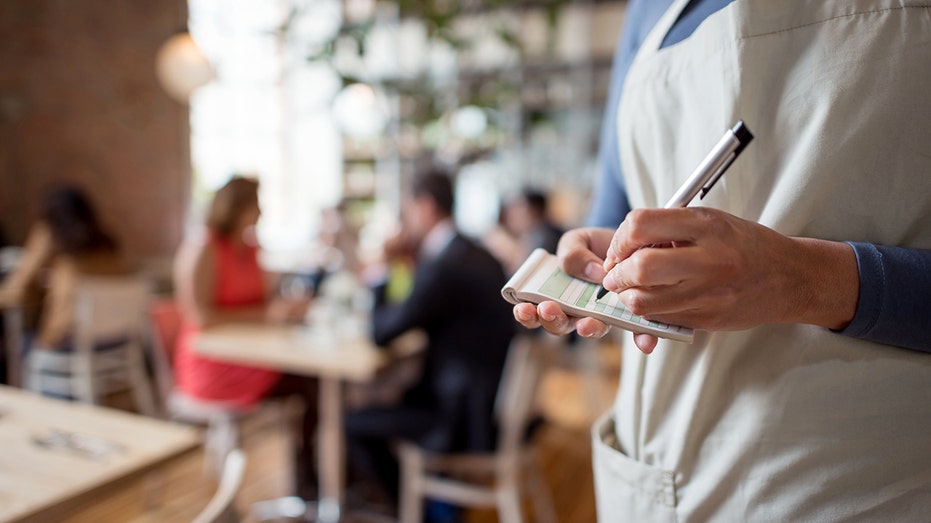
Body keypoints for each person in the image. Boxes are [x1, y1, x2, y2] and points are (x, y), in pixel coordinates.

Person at [513, 0, 931, 520]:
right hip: (654, 470)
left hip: (859, 483)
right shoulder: (646, 12)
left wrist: (806, 280)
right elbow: (618, 209)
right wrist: (603, 247)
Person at [345, 168, 515, 511]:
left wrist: (383, 268)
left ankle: (416, 513)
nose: (405, 222)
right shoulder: (476, 253)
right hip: (488, 405)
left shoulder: (443, 266)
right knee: (393, 394)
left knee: (352, 423)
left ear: (424, 206)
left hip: (460, 419)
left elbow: (382, 332)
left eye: (407, 212)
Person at [172, 176, 318, 497]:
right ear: (236, 208)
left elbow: (264, 304)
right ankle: (309, 484)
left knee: (313, 382)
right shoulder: (204, 248)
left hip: (251, 357)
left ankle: (312, 481)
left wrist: (285, 310)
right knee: (310, 387)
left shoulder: (251, 248)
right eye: (256, 204)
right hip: (212, 364)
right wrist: (264, 315)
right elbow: (200, 317)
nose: (262, 212)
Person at [0, 185, 133, 350]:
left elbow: (17, 289)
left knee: (22, 344)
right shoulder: (107, 244)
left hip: (70, 338)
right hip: (116, 338)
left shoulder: (50, 236)